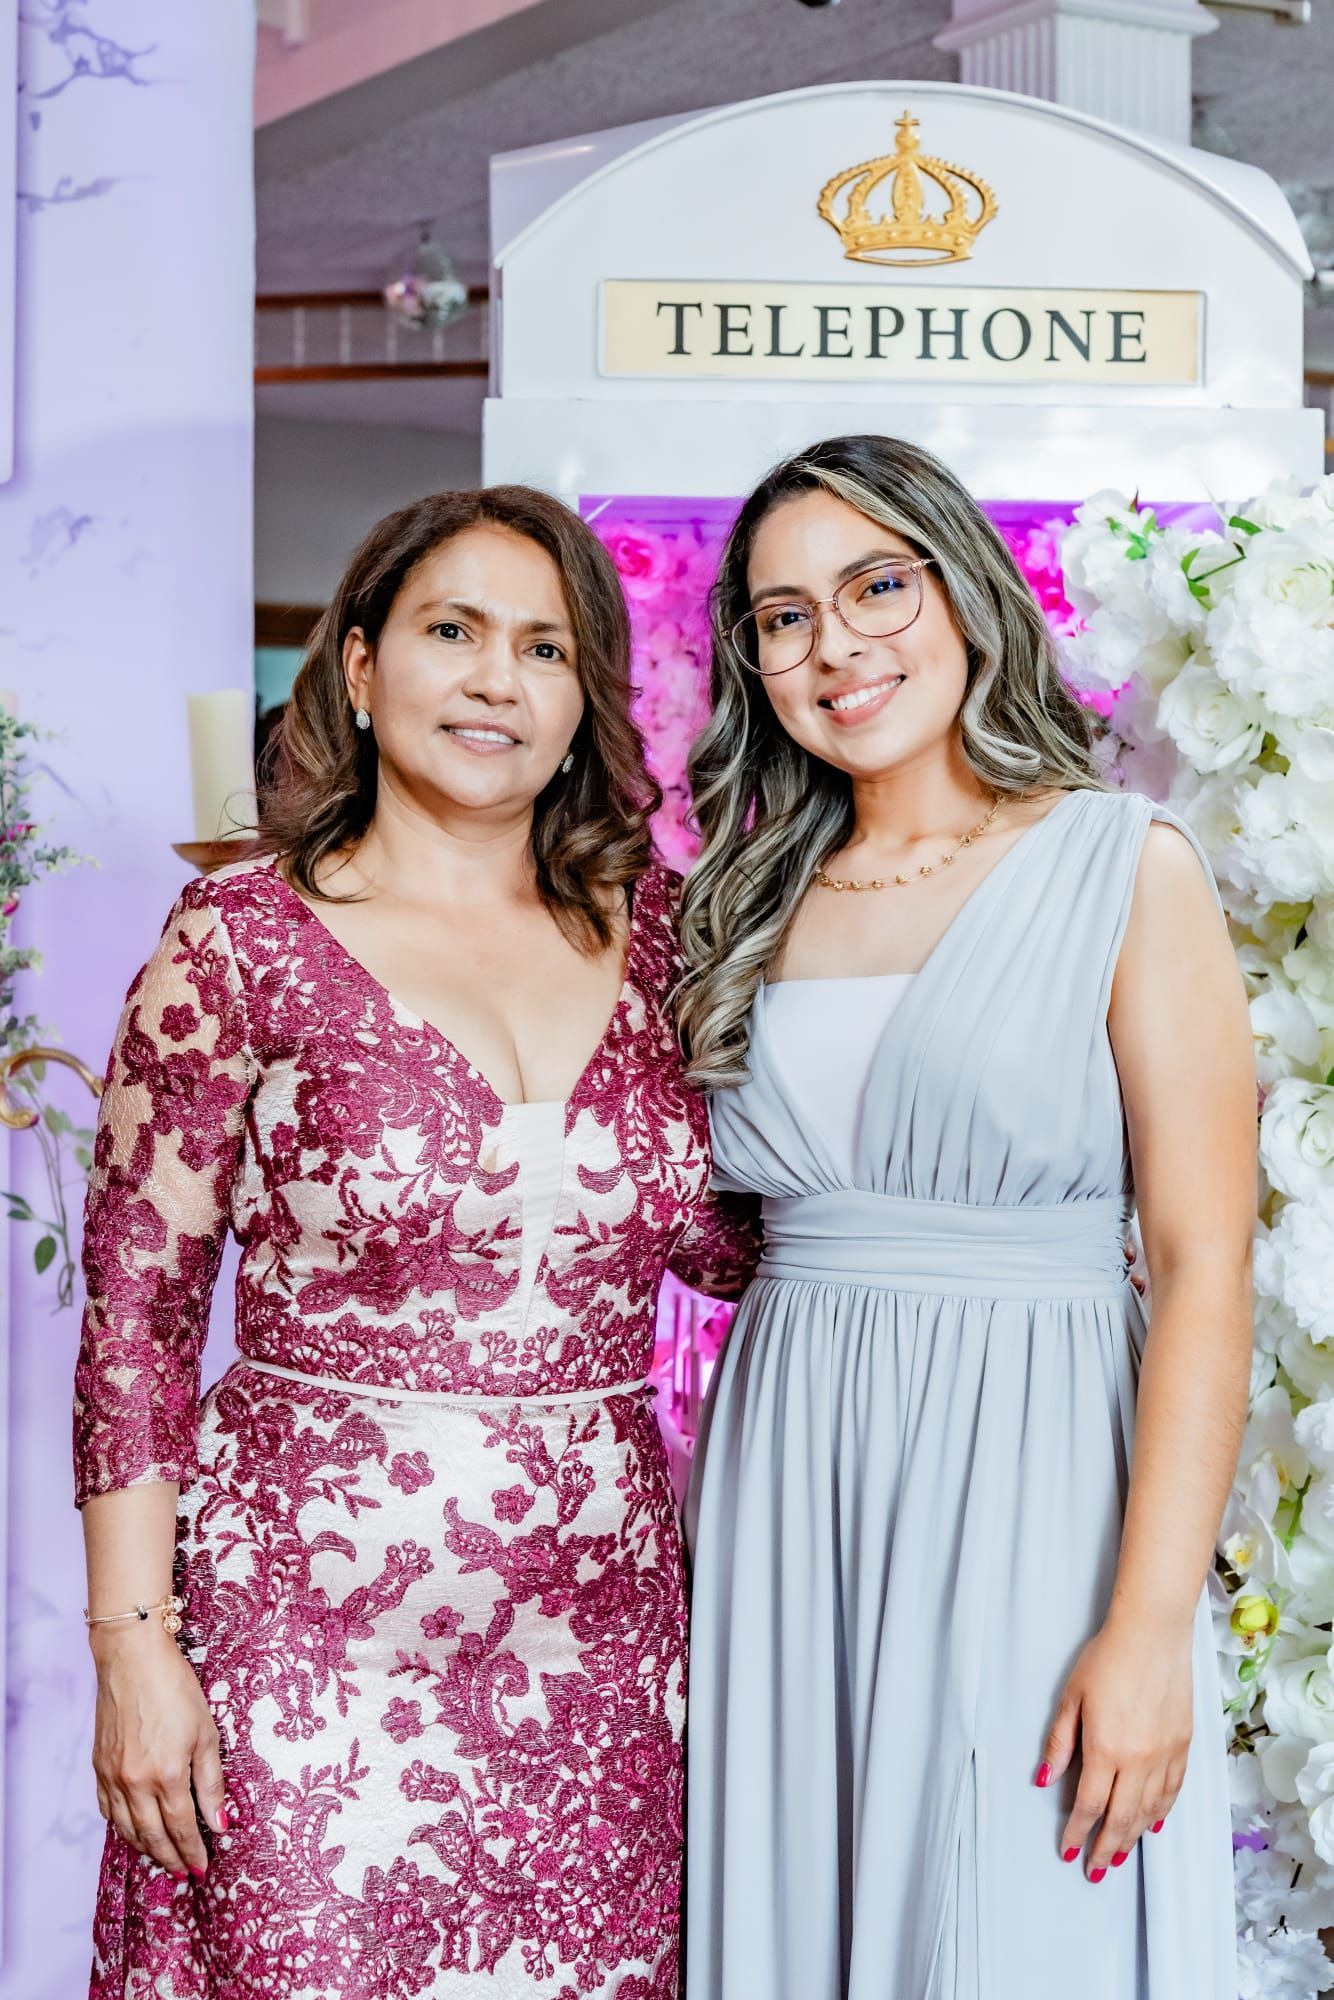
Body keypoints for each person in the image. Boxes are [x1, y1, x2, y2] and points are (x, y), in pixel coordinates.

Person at [74, 486, 756, 1998]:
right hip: (299, 1633)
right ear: (363, 665)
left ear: (582, 704)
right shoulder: (238, 939)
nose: (498, 679)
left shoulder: (670, 940)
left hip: (601, 1641)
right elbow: (134, 1328)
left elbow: (740, 1247)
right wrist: (133, 1649)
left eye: (546, 648)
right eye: (454, 631)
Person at [677, 435, 1254, 1999]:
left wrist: (1148, 1628)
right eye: (782, 617)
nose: (834, 645)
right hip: (791, 1487)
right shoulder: (741, 904)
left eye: (876, 586)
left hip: (1038, 1475)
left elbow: (1203, 1269)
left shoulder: (1120, 867)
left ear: (966, 592)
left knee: (1014, 1921)